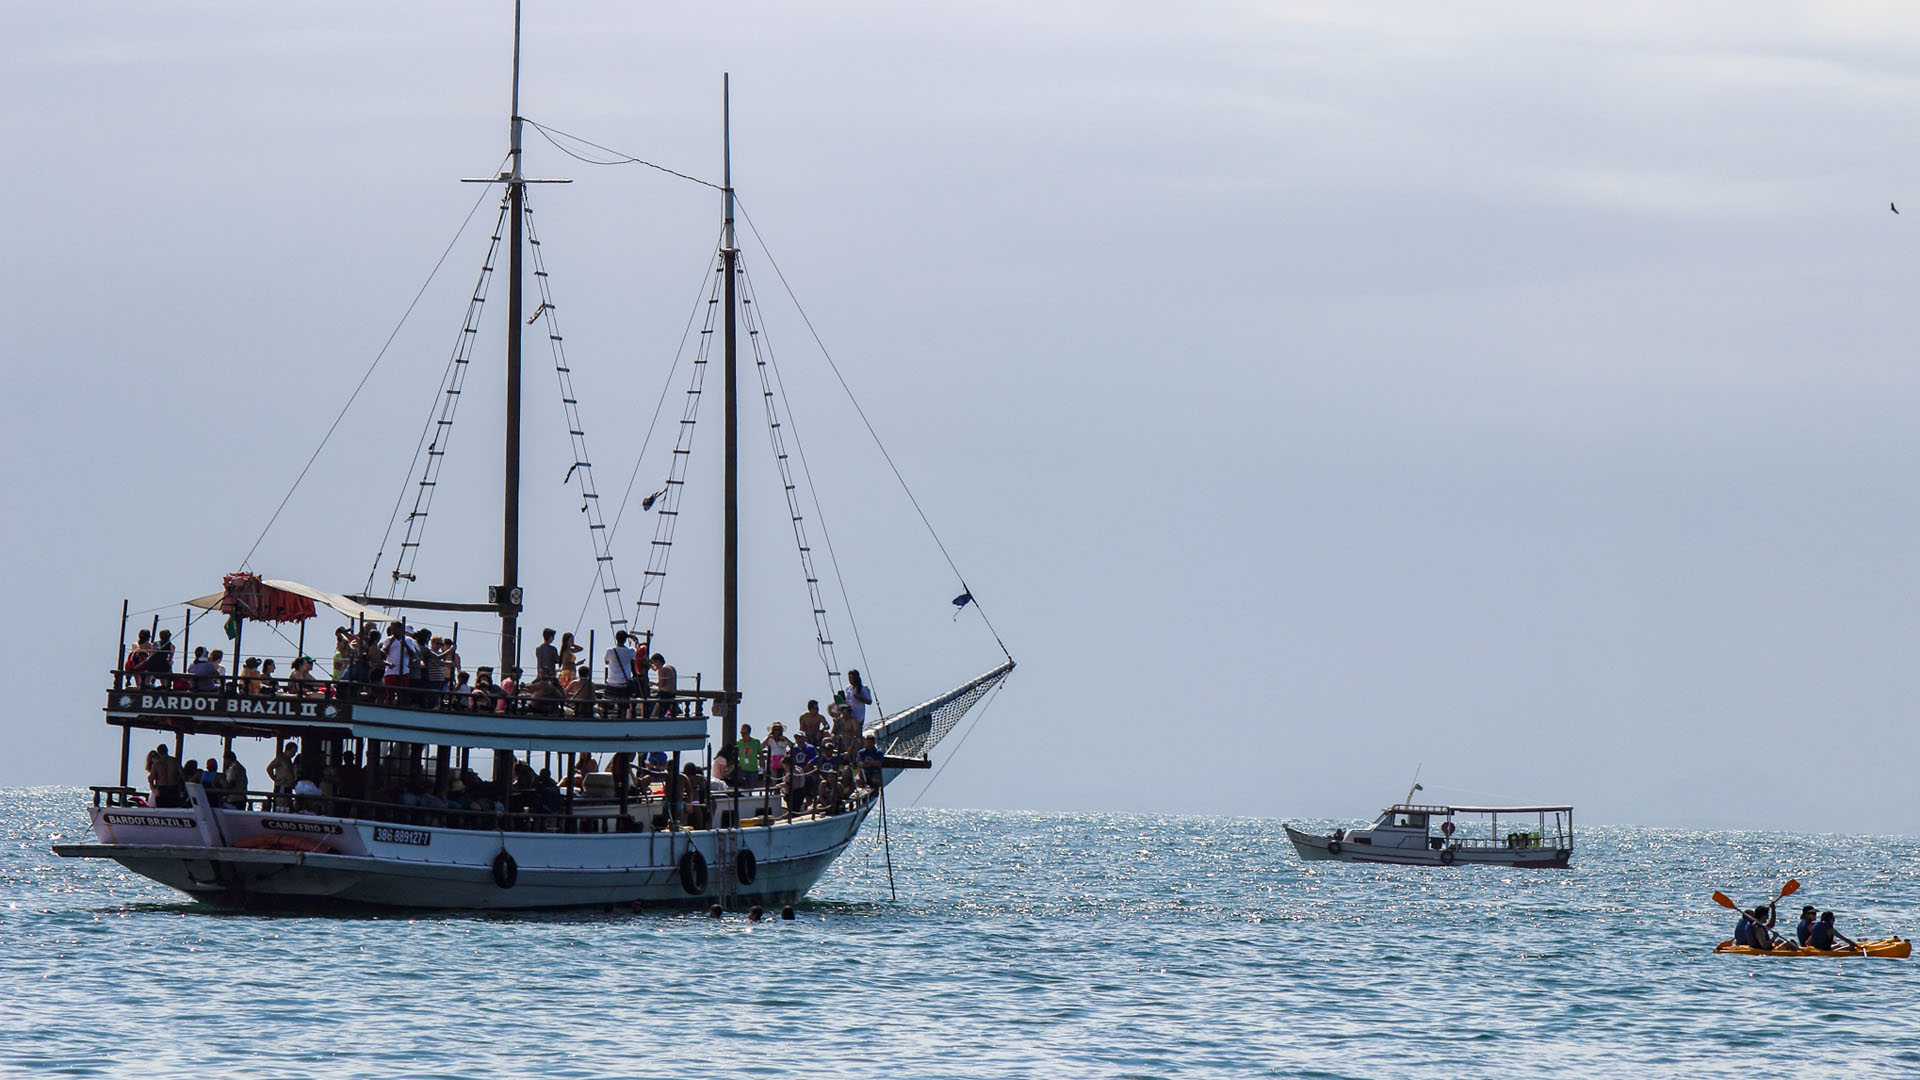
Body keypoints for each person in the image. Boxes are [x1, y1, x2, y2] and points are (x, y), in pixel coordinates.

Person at [603, 630, 637, 717]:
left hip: (611, 682)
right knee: (623, 706)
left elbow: (606, 662)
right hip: (624, 683)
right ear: (625, 640)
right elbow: (637, 654)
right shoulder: (629, 651)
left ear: (616, 638)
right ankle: (622, 719)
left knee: (606, 704)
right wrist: (635, 640)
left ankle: (604, 718)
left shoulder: (610, 651)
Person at [649, 653, 677, 718]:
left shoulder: (662, 669)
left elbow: (661, 684)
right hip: (672, 693)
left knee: (650, 699)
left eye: (654, 663)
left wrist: (652, 683)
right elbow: (655, 668)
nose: (654, 665)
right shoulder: (670, 667)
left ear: (658, 661)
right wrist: (650, 665)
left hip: (665, 694)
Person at [735, 724, 763, 789]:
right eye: (741, 733)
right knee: (742, 787)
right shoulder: (738, 743)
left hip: (753, 770)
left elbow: (761, 755)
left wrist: (762, 769)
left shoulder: (756, 742)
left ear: (749, 733)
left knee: (752, 788)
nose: (743, 735)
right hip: (742, 770)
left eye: (745, 733)